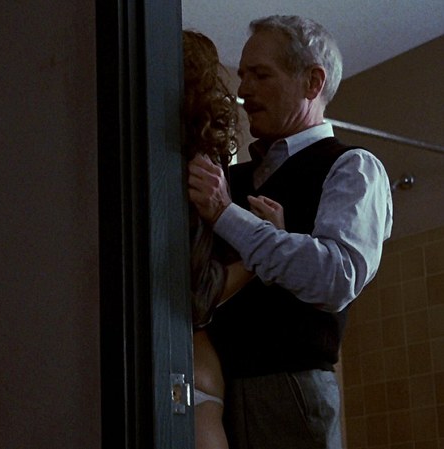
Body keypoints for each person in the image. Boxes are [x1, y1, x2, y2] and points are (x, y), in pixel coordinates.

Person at [187, 15, 393, 449]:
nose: (244, 89)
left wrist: (227, 216)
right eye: (243, 75)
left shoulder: (352, 168)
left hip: (289, 391)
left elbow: (337, 277)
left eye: (261, 75)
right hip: (217, 389)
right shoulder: (232, 179)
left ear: (313, 82)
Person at [181, 30, 285, 449]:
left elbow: (192, 291)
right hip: (197, 369)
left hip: (188, 374)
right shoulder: (197, 164)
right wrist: (265, 250)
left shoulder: (185, 170)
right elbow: (197, 294)